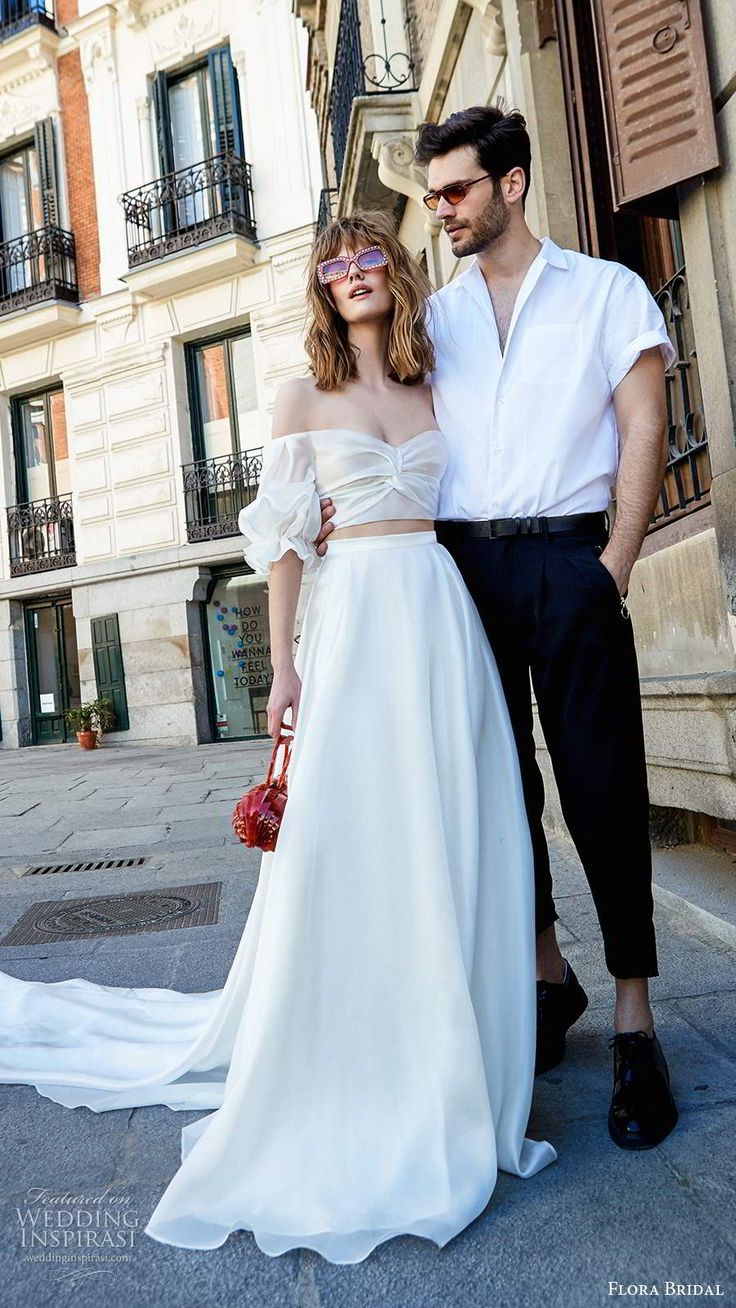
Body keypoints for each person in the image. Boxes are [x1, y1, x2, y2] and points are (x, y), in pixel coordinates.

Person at [0, 210, 556, 1264]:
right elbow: (285, 543)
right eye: (334, 263)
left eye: (367, 258)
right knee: (351, 840)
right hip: (353, 628)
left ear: (393, 273)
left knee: (454, 829)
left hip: (439, 621)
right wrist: (285, 666)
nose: (352, 274)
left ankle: (462, 1058)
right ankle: (358, 1051)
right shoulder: (300, 393)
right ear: (322, 286)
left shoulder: (437, 384)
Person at [317, 105, 679, 1152]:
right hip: (462, 567)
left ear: (512, 183)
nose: (439, 211)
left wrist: (612, 563)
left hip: (571, 559)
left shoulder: (606, 292)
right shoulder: (438, 314)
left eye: (455, 191)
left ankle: (632, 1020)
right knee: (494, 787)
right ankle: (545, 971)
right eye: (431, 196)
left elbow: (643, 425)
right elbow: (377, 402)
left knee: (602, 784)